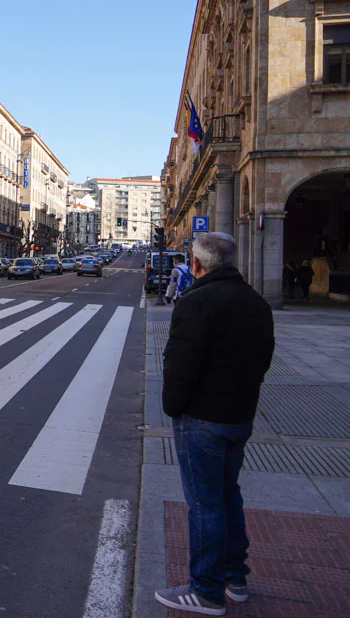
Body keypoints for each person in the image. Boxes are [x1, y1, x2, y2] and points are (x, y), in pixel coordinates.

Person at [155, 232, 275, 616]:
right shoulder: (257, 302)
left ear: (196, 264)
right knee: (228, 495)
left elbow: (180, 364)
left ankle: (206, 591)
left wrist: (173, 407)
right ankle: (234, 578)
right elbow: (264, 358)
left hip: (202, 417)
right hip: (240, 414)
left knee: (205, 503)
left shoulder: (197, 301)